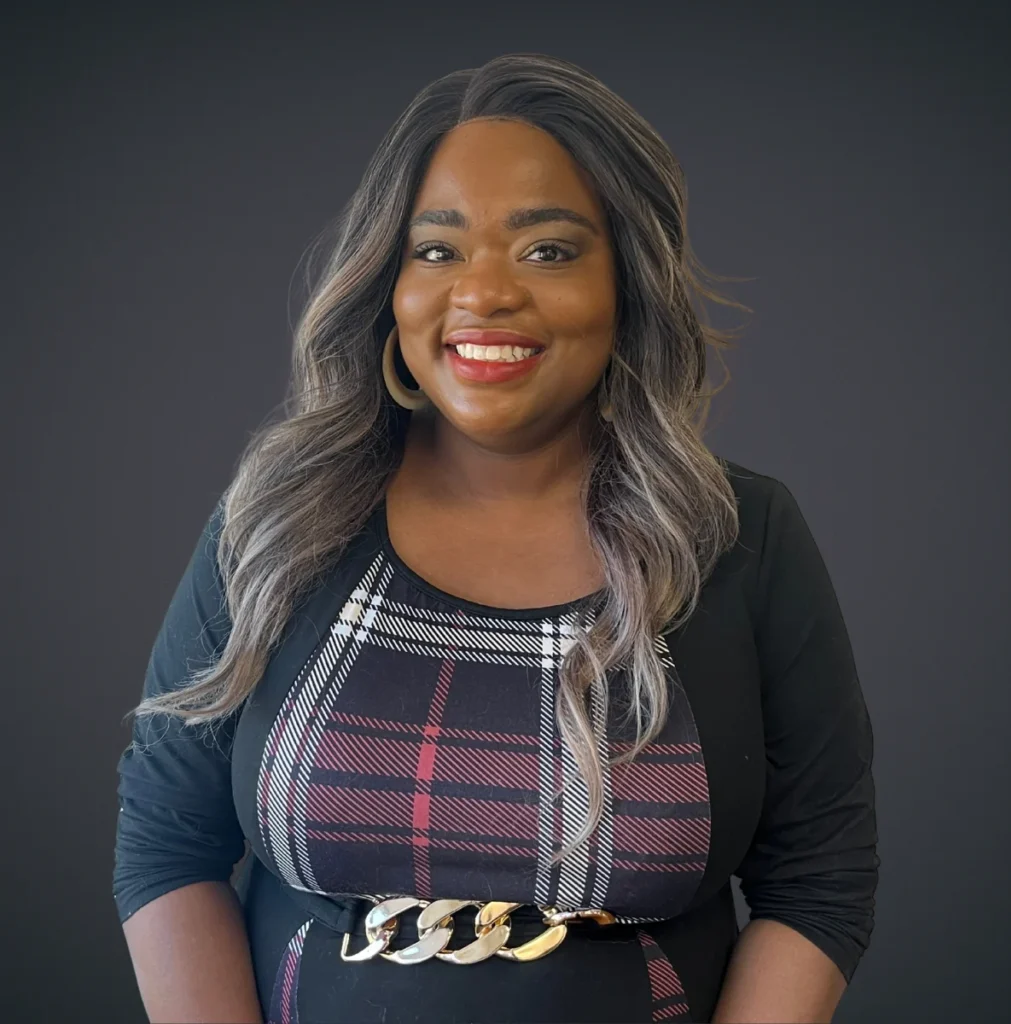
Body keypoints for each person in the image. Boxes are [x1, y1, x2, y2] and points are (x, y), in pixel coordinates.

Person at [112, 52, 878, 1024]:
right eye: (436, 250)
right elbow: (166, 845)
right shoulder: (278, 522)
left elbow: (820, 878)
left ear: (627, 281)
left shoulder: (738, 539)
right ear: (387, 282)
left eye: (546, 250)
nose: (483, 293)